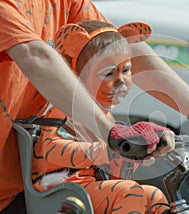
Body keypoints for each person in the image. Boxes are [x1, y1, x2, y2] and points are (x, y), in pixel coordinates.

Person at [0, 0, 189, 212]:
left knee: (154, 200)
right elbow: (36, 56)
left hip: (20, 188)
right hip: (23, 189)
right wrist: (113, 136)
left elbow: (125, 50)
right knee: (132, 196)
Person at [31, 20, 171, 214]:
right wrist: (105, 150)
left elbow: (115, 172)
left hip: (93, 185)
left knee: (155, 196)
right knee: (130, 192)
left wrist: (137, 153)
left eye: (126, 70)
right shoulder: (64, 107)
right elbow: (49, 149)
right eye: (109, 73)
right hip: (61, 188)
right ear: (78, 75)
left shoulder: (105, 115)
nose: (121, 79)